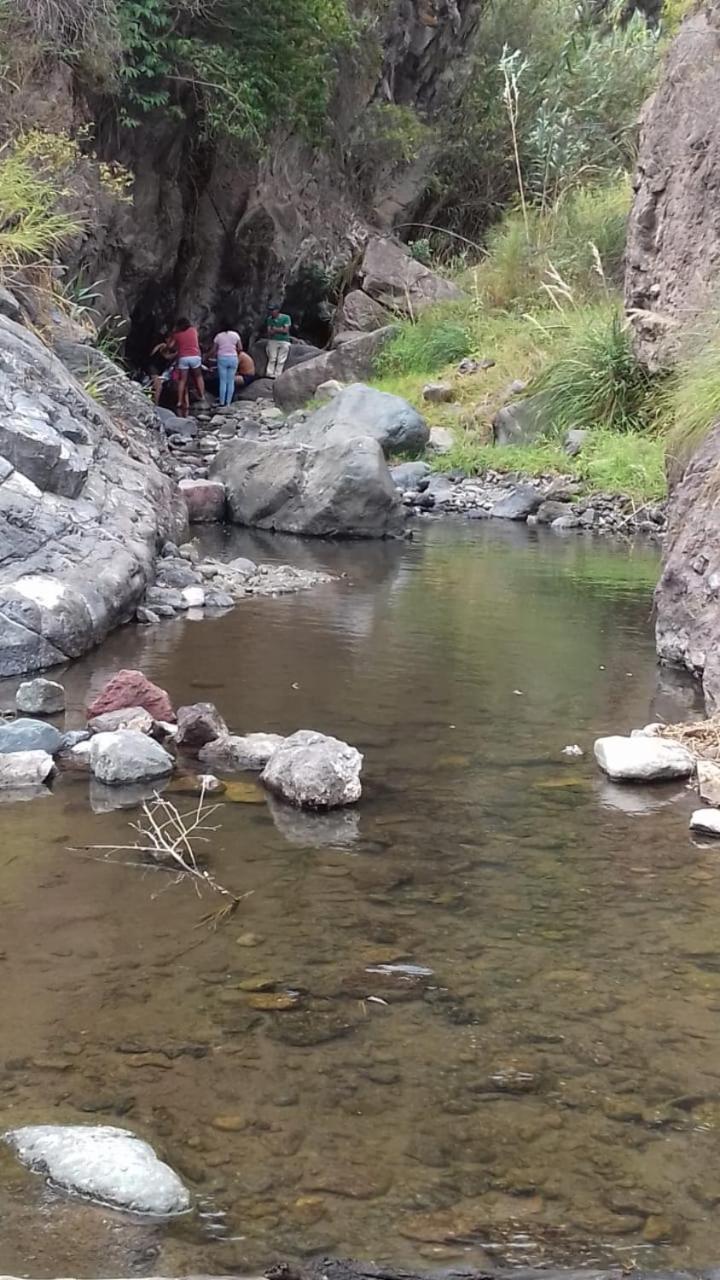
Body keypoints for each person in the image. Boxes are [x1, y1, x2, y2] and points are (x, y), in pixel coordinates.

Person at [169, 317, 205, 417]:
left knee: (182, 380)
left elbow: (171, 346)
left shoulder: (177, 334)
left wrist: (173, 336)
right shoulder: (193, 330)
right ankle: (202, 396)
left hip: (183, 357)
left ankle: (180, 401)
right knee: (198, 376)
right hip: (195, 356)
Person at [212, 321, 242, 406]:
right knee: (231, 381)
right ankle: (228, 403)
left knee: (223, 381)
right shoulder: (235, 335)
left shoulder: (218, 336)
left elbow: (214, 349)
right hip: (233, 358)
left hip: (222, 358)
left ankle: (222, 402)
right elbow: (240, 348)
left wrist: (207, 357)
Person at [264, 302, 292, 378]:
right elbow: (269, 331)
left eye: (273, 310)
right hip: (273, 340)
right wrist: (280, 329)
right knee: (272, 358)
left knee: (281, 359)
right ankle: (269, 373)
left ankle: (277, 374)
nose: (271, 312)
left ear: (277, 310)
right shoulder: (269, 319)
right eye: (270, 310)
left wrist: (275, 329)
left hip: (284, 340)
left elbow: (285, 330)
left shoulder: (286, 317)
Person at [147, 335, 173, 405]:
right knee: (159, 386)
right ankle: (156, 404)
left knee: (155, 386)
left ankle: (151, 401)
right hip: (153, 368)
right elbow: (166, 356)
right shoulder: (163, 346)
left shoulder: (169, 349)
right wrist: (178, 354)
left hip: (158, 370)